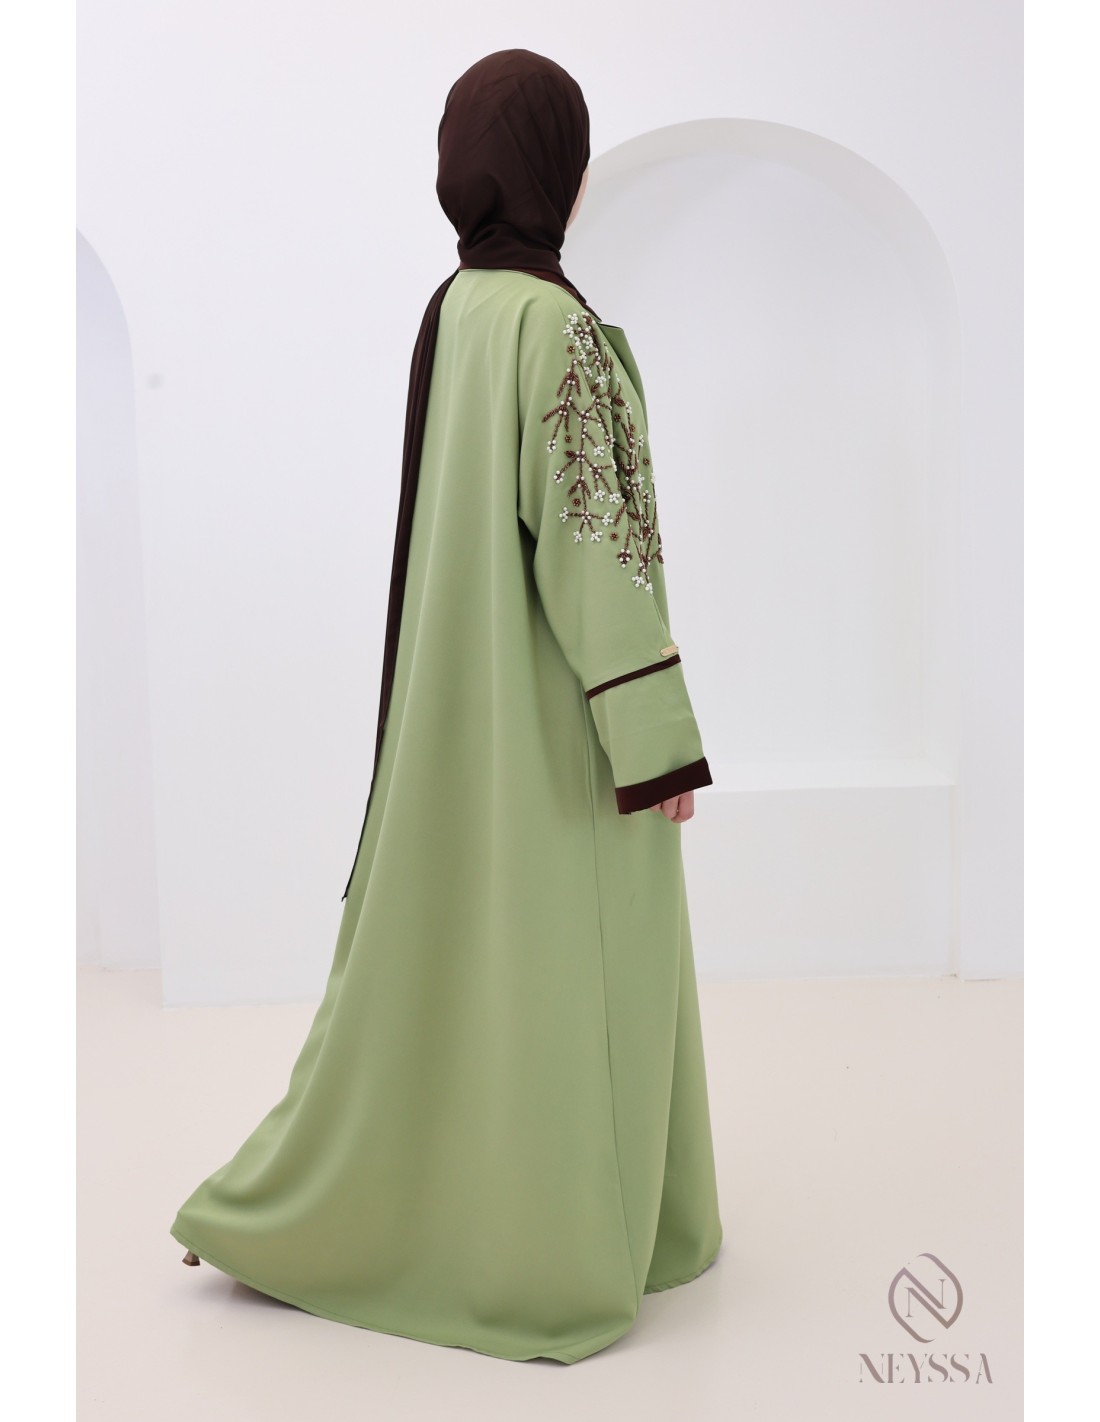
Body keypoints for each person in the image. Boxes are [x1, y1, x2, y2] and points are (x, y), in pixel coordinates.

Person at [170, 47, 722, 1365]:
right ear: (557, 173)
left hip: (461, 711)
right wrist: (655, 745)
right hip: (557, 725)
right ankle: (569, 1249)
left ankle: (403, 1210)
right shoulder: (556, 329)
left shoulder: (458, 308)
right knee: (584, 962)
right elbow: (590, 552)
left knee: (473, 961)